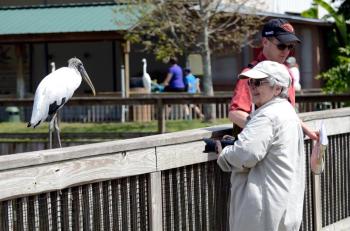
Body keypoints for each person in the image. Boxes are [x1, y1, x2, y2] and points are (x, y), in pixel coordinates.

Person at [217, 60, 305, 231]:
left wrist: (224, 154)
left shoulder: (267, 116)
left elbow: (245, 154)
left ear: (278, 89)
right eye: (250, 82)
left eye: (258, 82)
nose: (252, 87)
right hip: (284, 205)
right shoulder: (287, 112)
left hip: (263, 211)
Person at [228, 18, 318, 140]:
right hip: (260, 150)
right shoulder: (251, 74)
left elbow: (288, 113)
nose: (286, 51)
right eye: (281, 46)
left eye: (290, 47)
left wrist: (309, 132)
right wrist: (265, 132)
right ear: (265, 42)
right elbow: (235, 113)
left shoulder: (286, 73)